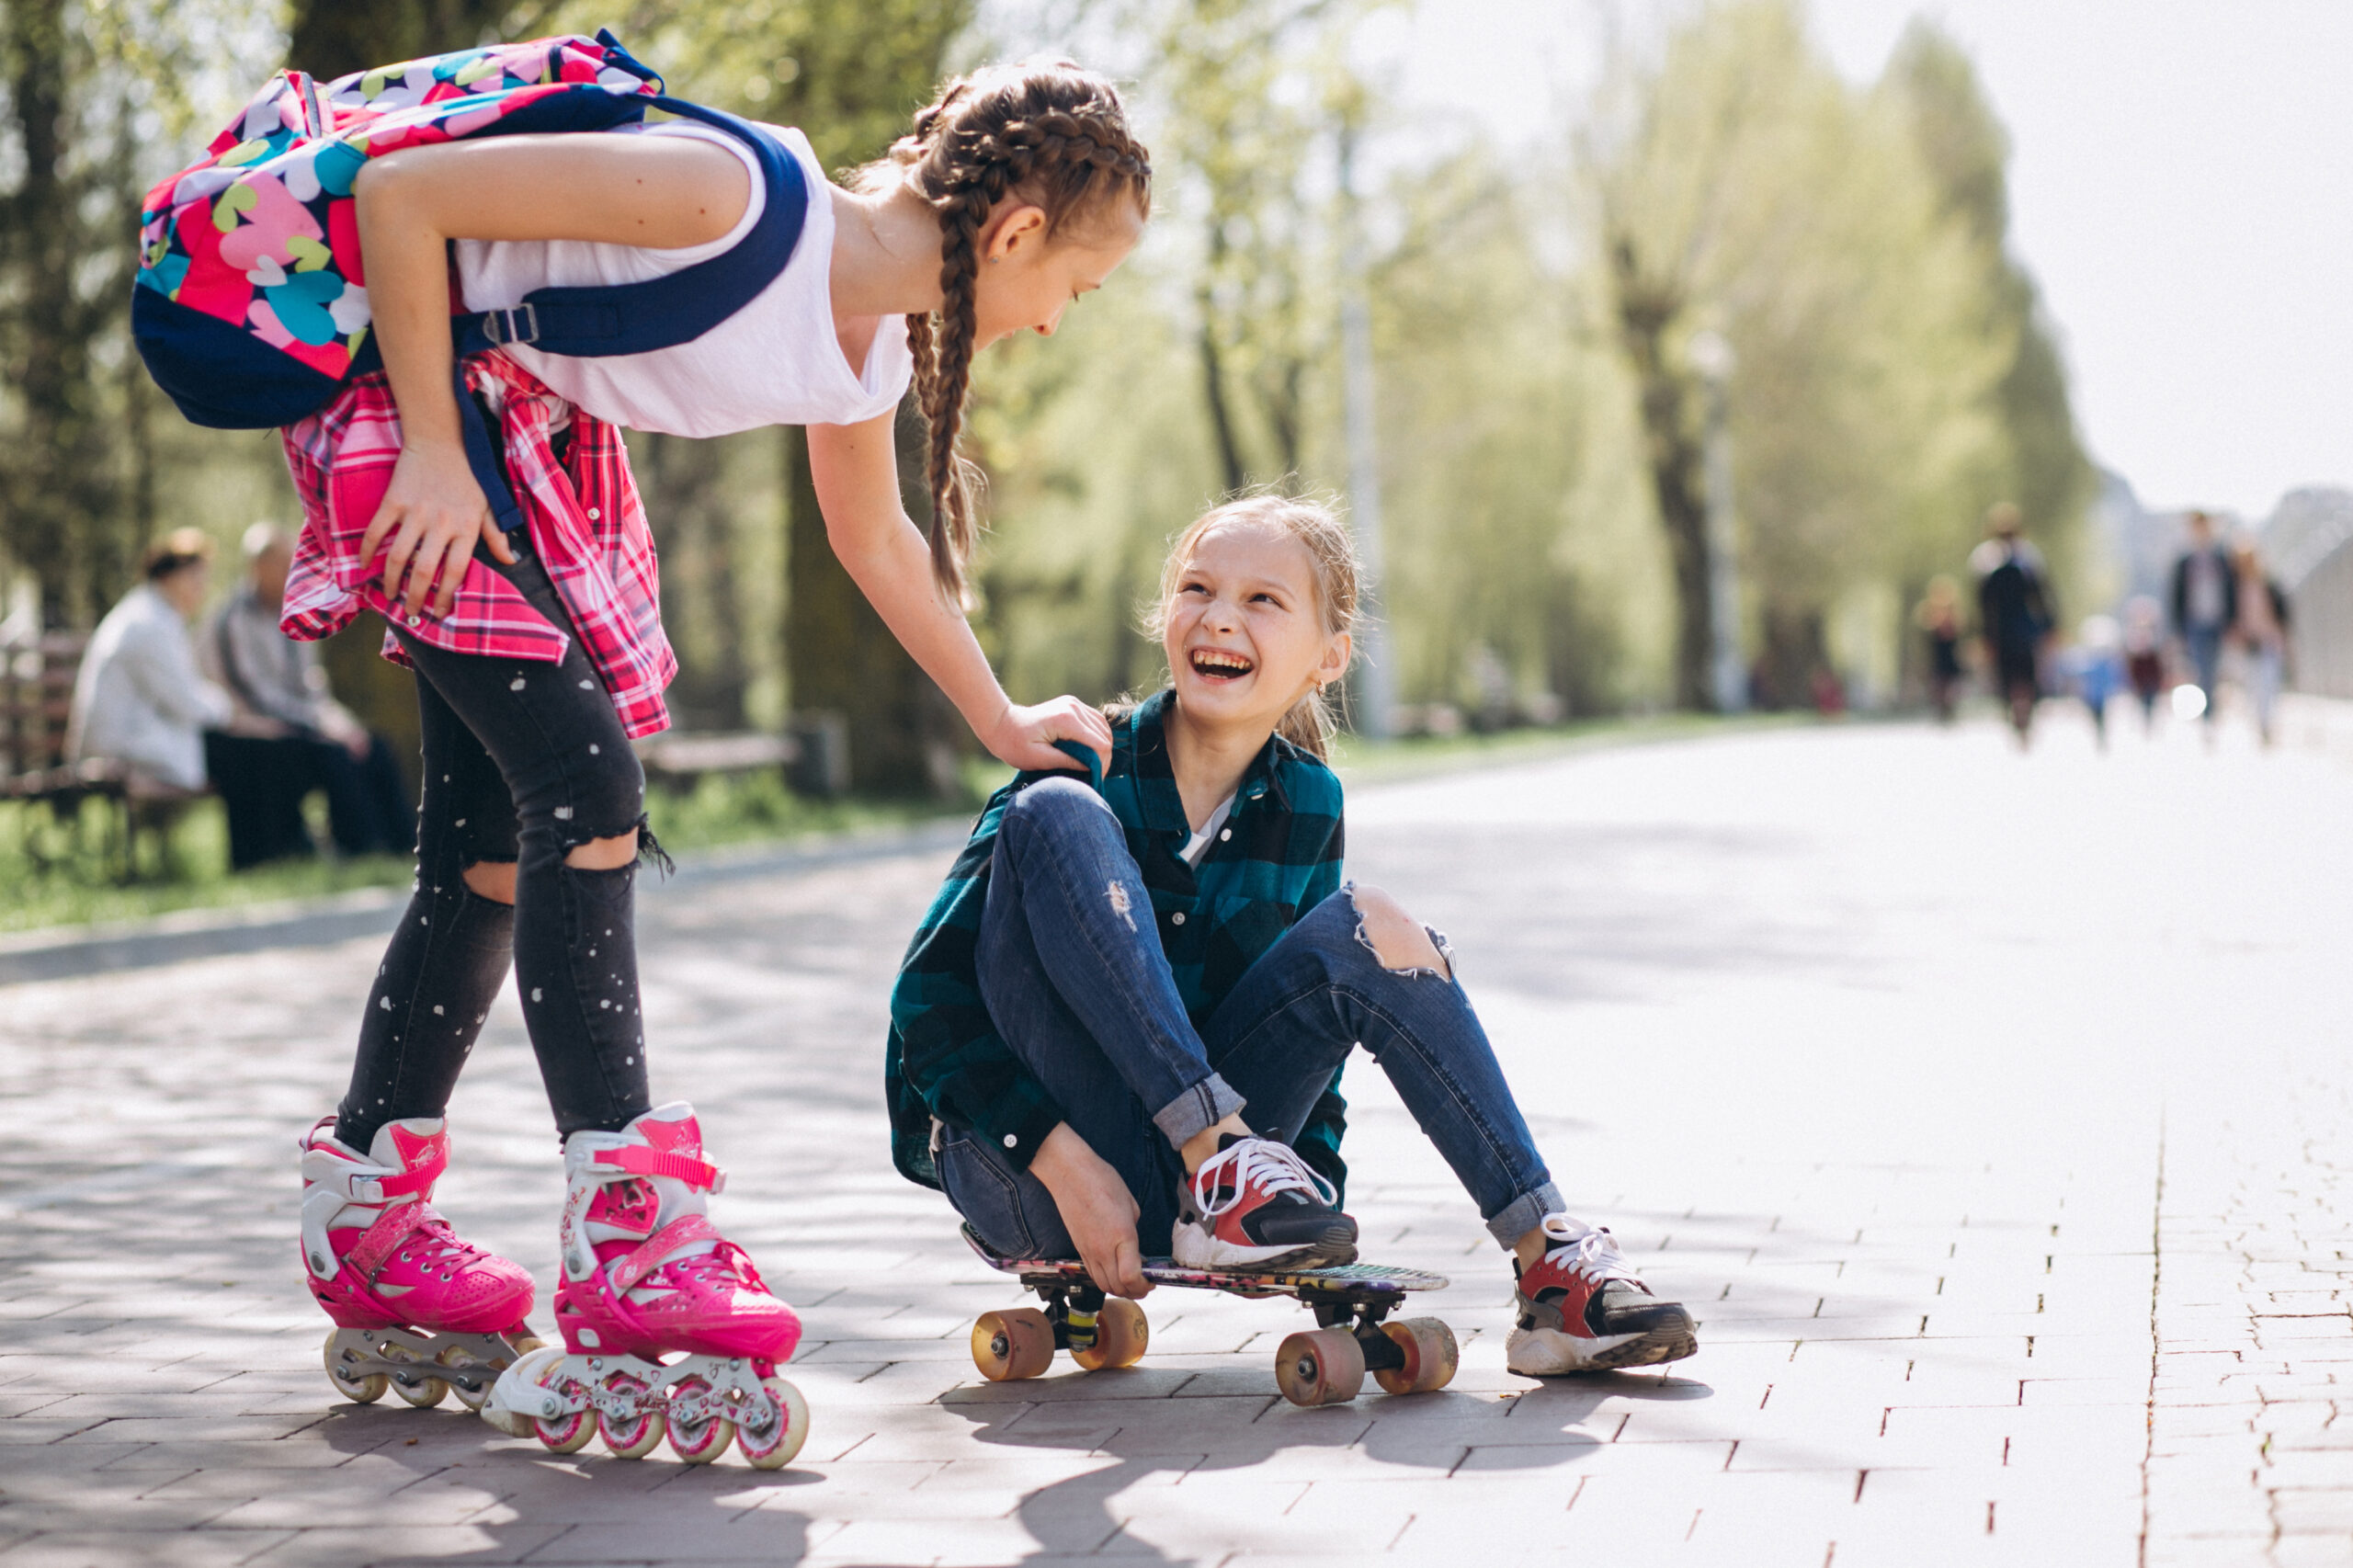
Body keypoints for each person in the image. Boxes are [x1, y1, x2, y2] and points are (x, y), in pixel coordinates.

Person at [278, 55, 1154, 1449]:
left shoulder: (872, 335)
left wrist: (1000, 718)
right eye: (1078, 290)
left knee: (493, 844)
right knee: (586, 790)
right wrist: (438, 450)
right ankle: (633, 1238)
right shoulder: (737, 196)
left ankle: (370, 1219)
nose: (1055, 326)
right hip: (413, 404)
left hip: (527, 444)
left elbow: (875, 541)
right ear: (1016, 235)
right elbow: (404, 194)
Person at [886, 494, 1699, 1379]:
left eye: (1263, 601)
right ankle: (1221, 1161)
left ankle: (1550, 1265)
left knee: (1373, 924)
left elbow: (1312, 1035)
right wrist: (1060, 1161)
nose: (1221, 617)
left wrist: (1313, 1211)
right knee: (1056, 811)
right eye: (1198, 588)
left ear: (1327, 658)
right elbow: (925, 1008)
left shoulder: (1308, 802)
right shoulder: (1081, 759)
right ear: (1168, 619)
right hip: (1040, 1173)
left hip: (1206, 1202)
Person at [201, 523, 411, 869]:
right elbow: (253, 694)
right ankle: (360, 848)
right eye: (282, 561)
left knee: (373, 746)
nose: (291, 568)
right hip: (252, 730)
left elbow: (311, 685)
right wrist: (319, 726)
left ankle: (402, 846)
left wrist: (338, 722)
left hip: (296, 721)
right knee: (334, 754)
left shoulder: (294, 610)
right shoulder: (231, 619)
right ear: (258, 566)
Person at [66, 530, 233, 795]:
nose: (201, 589)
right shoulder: (148, 624)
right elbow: (185, 701)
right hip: (122, 750)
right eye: (194, 578)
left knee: (250, 753)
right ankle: (269, 837)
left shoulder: (151, 614)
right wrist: (228, 708)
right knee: (248, 755)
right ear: (167, 577)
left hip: (135, 741)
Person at [1970, 502, 2056, 746]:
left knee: (2012, 677)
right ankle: (2023, 711)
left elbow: (1983, 605)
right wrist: (2049, 627)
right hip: (2024, 628)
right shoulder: (2028, 559)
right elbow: (2043, 597)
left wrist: (1984, 636)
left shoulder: (1986, 561)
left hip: (2003, 631)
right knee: (2024, 676)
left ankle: (2019, 711)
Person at [2170, 510, 2235, 735]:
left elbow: (2231, 593)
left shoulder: (2221, 560)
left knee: (2215, 668)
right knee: (2202, 668)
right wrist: (2177, 630)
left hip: (2217, 622)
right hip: (2194, 623)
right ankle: (2207, 714)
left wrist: (2232, 622)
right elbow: (2176, 597)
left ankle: (2210, 710)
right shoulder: (2184, 562)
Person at [2229, 538, 2291, 747]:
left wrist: (2285, 640)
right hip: (2248, 645)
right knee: (2253, 687)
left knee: (2269, 684)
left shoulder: (2269, 584)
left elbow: (2283, 614)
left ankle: (2267, 724)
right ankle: (2259, 723)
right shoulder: (2234, 589)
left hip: (2269, 642)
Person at [1915, 575, 1965, 723]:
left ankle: (1949, 709)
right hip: (1936, 658)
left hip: (1950, 657)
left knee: (1951, 684)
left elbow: (1960, 636)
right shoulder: (1927, 616)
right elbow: (1924, 639)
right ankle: (1941, 710)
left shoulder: (1956, 616)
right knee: (1939, 683)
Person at [2122, 596, 2166, 733]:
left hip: (2151, 674)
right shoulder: (2133, 637)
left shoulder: (2155, 637)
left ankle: (2151, 723)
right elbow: (2132, 662)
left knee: (2151, 700)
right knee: (2143, 701)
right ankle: (2145, 723)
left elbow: (2159, 660)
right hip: (2141, 675)